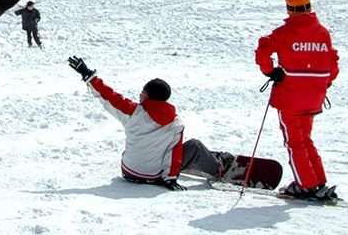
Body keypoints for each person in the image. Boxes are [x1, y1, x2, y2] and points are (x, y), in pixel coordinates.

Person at [68, 56, 233, 190]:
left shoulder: (133, 112)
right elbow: (174, 153)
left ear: (148, 96)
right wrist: (170, 179)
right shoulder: (176, 123)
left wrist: (88, 75)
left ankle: (198, 161)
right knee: (194, 146)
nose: (140, 95)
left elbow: (109, 96)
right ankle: (218, 168)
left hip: (129, 172)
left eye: (142, 92)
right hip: (155, 176)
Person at [256, 0, 339, 201]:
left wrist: (270, 71)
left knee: (294, 142)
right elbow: (333, 64)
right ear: (309, 7)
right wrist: (322, 85)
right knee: (305, 139)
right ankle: (318, 180)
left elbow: (263, 48)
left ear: (289, 10)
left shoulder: (284, 33)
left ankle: (306, 185)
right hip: (314, 97)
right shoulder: (323, 33)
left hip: (290, 97)